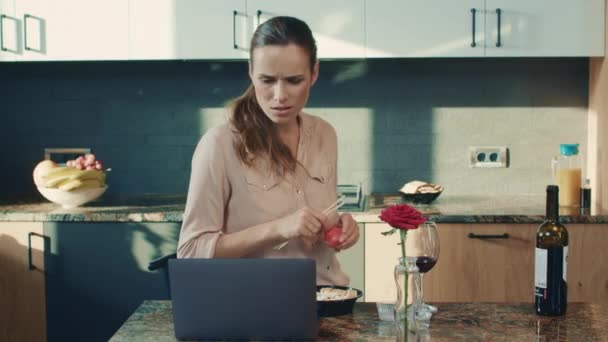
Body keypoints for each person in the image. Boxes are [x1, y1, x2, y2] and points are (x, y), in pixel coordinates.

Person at [177, 16, 359, 286]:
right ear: (251, 71)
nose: (279, 95)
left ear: (314, 73)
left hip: (330, 298)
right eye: (267, 80)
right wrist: (278, 228)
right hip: (259, 307)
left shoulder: (325, 134)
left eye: (294, 80)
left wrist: (339, 229)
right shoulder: (219, 145)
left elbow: (318, 225)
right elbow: (191, 252)